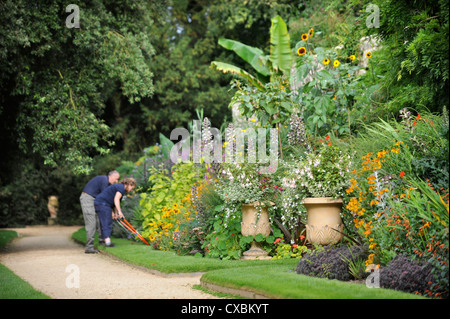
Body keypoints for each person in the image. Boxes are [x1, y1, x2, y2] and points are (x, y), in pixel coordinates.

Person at [80, 171, 120, 253]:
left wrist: (112, 212)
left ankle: (102, 241)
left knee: (101, 219)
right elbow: (106, 198)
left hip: (95, 200)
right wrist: (112, 212)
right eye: (116, 179)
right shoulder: (104, 180)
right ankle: (89, 247)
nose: (116, 182)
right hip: (88, 199)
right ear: (111, 176)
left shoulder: (105, 181)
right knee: (92, 223)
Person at [94, 177, 137, 247]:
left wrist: (115, 213)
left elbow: (114, 203)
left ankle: (104, 241)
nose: (132, 190)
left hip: (103, 203)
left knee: (106, 222)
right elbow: (116, 199)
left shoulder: (120, 188)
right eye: (132, 188)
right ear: (129, 184)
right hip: (103, 203)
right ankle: (107, 243)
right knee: (107, 222)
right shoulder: (121, 188)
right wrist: (120, 212)